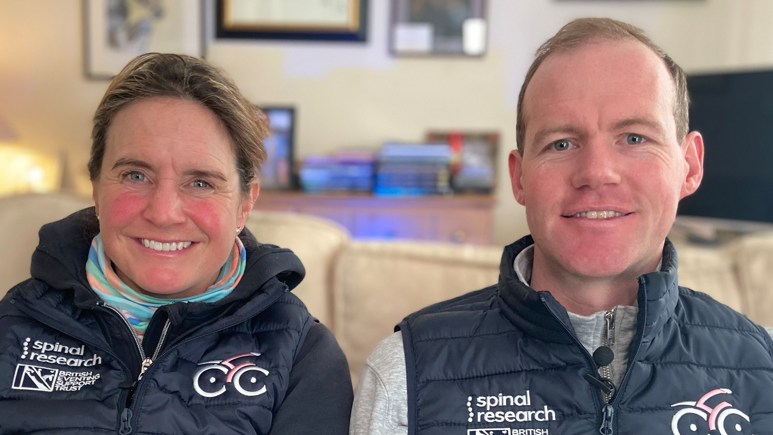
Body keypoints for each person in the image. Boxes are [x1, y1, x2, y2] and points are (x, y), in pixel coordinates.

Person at [350, 18, 773, 435]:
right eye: (562, 143)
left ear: (690, 166)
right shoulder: (405, 373)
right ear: (520, 178)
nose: (597, 172)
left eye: (634, 138)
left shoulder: (763, 365)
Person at [0, 53, 352, 434]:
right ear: (97, 190)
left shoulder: (302, 354)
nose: (164, 212)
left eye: (201, 183)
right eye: (136, 175)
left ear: (244, 203)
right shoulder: (12, 325)